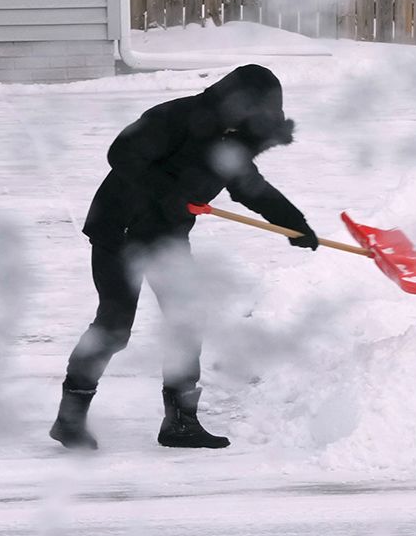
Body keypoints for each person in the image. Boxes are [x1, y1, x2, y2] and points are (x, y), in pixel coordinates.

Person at [50, 64, 318, 451]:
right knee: (114, 326)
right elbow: (121, 153)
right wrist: (169, 192)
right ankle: (69, 418)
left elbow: (250, 187)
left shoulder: (235, 140)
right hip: (120, 229)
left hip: (166, 238)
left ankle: (181, 423)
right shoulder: (176, 117)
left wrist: (295, 223)